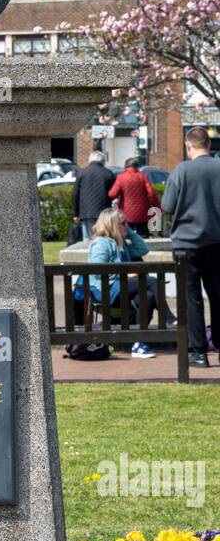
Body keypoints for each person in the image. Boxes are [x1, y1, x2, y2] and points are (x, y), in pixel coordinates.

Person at [161, 126, 220, 368]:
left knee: (191, 298)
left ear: (188, 145)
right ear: (209, 144)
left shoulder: (181, 171)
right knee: (218, 296)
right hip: (217, 242)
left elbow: (167, 205)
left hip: (186, 244)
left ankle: (199, 352)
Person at [87, 209, 157, 358]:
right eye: (123, 223)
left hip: (121, 288)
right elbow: (97, 271)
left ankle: (139, 343)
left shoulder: (122, 244)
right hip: (106, 291)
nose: (127, 225)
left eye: (128, 223)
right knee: (149, 281)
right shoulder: (101, 244)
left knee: (148, 296)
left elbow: (143, 249)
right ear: (112, 224)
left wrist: (129, 231)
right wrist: (125, 274)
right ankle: (171, 318)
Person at [108, 158, 160, 237]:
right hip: (142, 212)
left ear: (126, 166)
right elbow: (152, 194)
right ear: (137, 166)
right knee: (143, 236)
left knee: (126, 236)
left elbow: (112, 194)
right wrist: (157, 206)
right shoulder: (143, 176)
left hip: (126, 212)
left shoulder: (121, 177)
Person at [71, 150, 115, 239]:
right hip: (104, 212)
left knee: (88, 239)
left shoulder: (81, 173)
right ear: (102, 161)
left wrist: (75, 213)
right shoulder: (108, 173)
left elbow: (76, 194)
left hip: (86, 212)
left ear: (89, 161)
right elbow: (113, 194)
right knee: (104, 237)